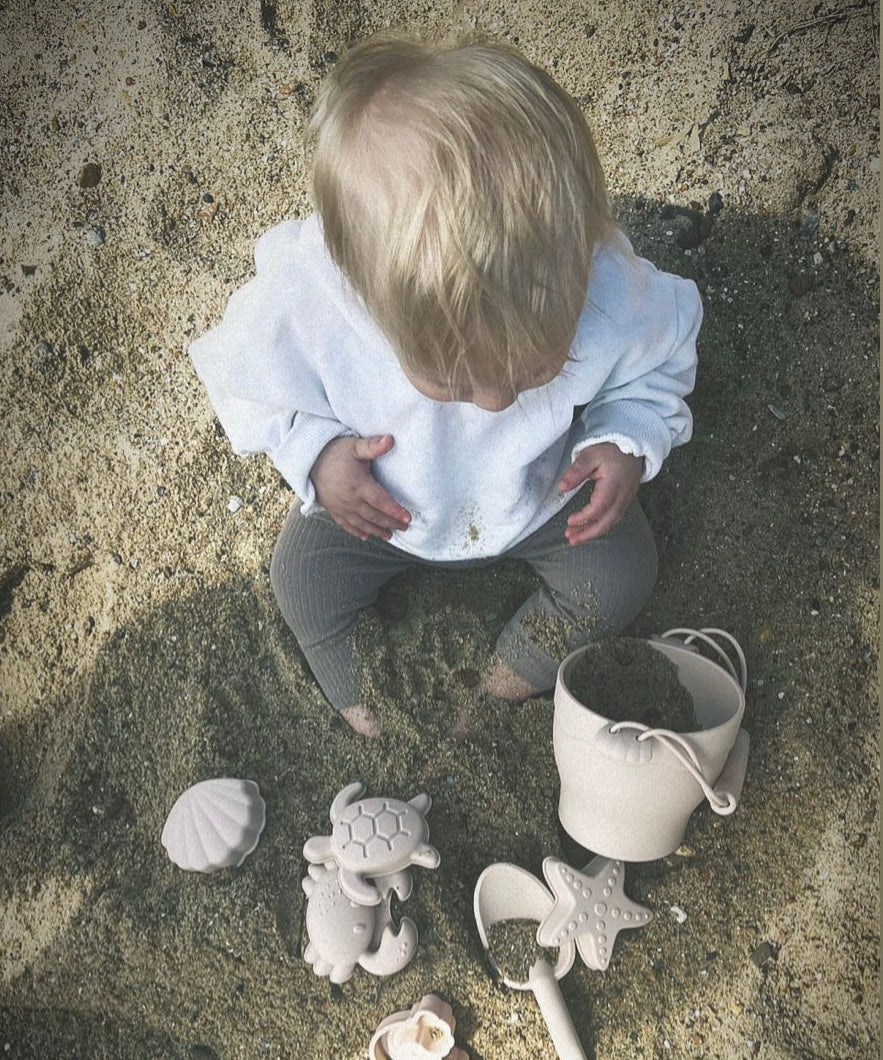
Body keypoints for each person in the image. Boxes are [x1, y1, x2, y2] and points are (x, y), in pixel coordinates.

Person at [189, 30, 703, 737]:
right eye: (452, 380)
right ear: (363, 293)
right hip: (381, 508)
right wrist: (317, 455)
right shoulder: (309, 306)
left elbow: (659, 360)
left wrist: (625, 440)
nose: (497, 402)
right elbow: (245, 385)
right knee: (302, 580)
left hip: (543, 493)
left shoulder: (603, 288)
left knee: (620, 572)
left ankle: (505, 681)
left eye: (534, 369)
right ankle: (364, 700)